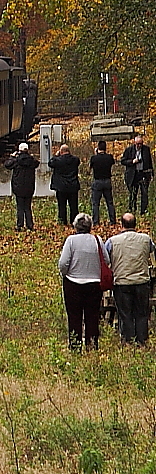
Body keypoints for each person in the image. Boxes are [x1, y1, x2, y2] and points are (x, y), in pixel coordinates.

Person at [58, 213, 107, 350]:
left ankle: (75, 345)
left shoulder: (71, 241)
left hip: (73, 283)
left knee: (74, 316)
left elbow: (63, 263)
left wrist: (66, 273)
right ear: (90, 226)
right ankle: (92, 344)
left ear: (75, 226)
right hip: (94, 284)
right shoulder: (97, 240)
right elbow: (107, 260)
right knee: (92, 316)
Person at [106, 213, 156, 344]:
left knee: (125, 314)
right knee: (141, 314)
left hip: (121, 282)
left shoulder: (112, 241)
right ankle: (142, 341)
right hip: (141, 282)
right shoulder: (146, 239)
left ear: (121, 225)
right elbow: (152, 250)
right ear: (135, 224)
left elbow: (106, 258)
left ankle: (128, 341)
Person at [4, 142, 40, 231]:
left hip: (18, 187)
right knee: (27, 207)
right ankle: (30, 225)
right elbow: (37, 163)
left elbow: (7, 164)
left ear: (19, 151)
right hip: (29, 188)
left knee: (20, 207)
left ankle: (20, 225)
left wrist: (12, 157)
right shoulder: (31, 161)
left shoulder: (16, 161)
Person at [49, 144, 82, 225]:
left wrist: (55, 155)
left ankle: (62, 222)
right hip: (73, 186)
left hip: (61, 187)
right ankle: (74, 222)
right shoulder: (75, 160)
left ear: (61, 151)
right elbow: (78, 162)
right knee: (74, 206)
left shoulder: (58, 160)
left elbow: (50, 163)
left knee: (62, 206)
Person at [122, 135, 153, 214]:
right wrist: (132, 161)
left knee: (144, 193)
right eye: (137, 144)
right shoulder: (129, 150)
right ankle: (132, 209)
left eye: (140, 144)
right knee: (133, 193)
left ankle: (143, 211)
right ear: (134, 143)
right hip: (133, 174)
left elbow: (149, 162)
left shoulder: (146, 149)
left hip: (143, 174)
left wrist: (151, 173)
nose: (139, 145)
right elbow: (123, 161)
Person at [89, 140, 117, 226]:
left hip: (97, 181)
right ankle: (112, 221)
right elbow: (113, 162)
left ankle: (96, 221)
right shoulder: (109, 157)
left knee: (96, 203)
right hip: (107, 181)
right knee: (109, 202)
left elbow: (90, 166)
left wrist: (96, 153)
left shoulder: (94, 158)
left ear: (98, 148)